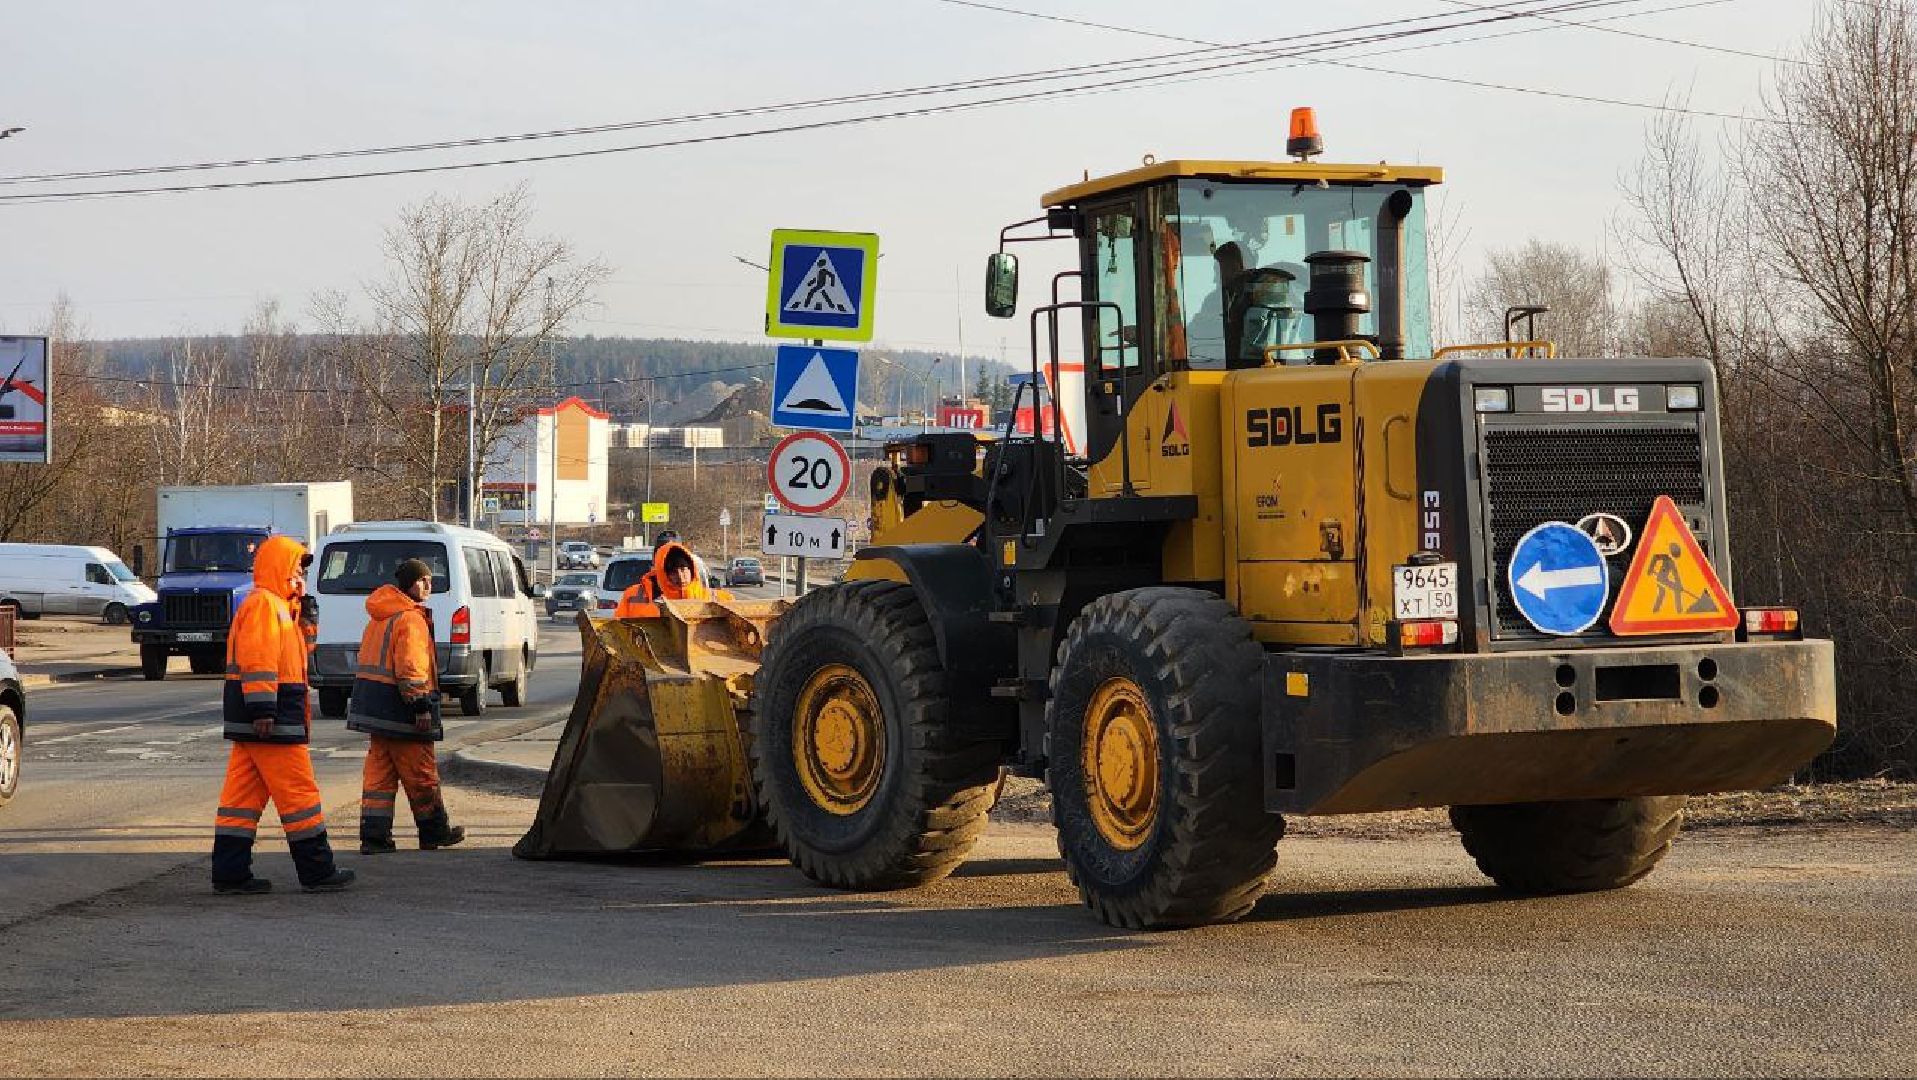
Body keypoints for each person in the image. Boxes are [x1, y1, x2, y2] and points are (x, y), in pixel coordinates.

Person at [211, 534, 355, 895]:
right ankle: (317, 870)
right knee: (299, 795)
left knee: (240, 801)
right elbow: (258, 660)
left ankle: (230, 874)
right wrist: (263, 708)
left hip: (261, 716)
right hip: (271, 717)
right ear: (278, 568)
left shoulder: (278, 607)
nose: (299, 577)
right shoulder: (264, 605)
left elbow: (298, 656)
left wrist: (306, 620)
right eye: (294, 569)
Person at [346, 558, 465, 854]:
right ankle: (434, 832)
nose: (429, 586)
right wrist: (420, 706)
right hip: (402, 710)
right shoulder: (410, 618)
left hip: (374, 708)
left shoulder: (380, 615)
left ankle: (375, 838)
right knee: (421, 773)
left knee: (379, 777)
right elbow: (411, 668)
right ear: (410, 584)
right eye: (423, 580)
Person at [614, 539, 729, 618]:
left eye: (683, 569)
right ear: (663, 574)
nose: (680, 576)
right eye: (673, 572)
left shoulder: (719, 599)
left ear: (692, 569)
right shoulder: (632, 596)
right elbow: (618, 634)